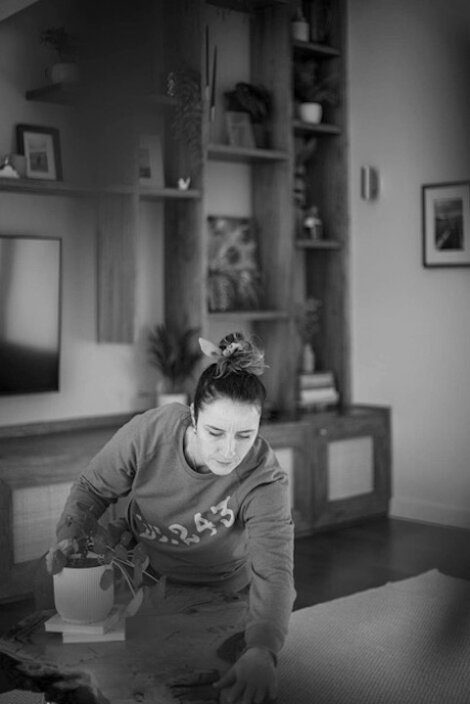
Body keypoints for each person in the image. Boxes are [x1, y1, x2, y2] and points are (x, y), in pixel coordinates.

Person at [48, 332, 296, 704]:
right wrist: (69, 538)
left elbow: (274, 571)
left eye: (245, 434)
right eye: (215, 432)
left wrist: (263, 649)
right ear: (193, 416)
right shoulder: (150, 433)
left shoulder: (263, 477)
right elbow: (92, 487)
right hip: (139, 576)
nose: (229, 451)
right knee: (93, 680)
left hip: (222, 592)